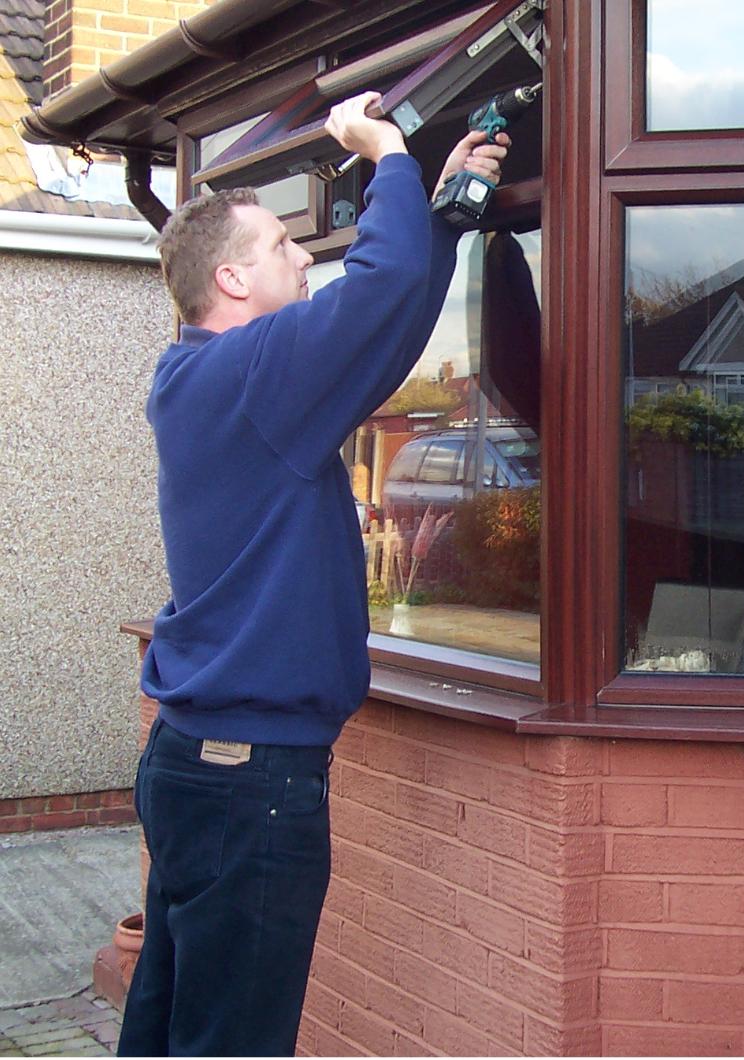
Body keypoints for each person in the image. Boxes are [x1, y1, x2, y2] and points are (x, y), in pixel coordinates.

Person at [116, 92, 509, 1057]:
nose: (304, 254)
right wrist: (383, 151)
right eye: (284, 244)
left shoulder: (201, 376)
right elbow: (378, 289)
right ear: (232, 277)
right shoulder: (254, 374)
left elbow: (378, 331)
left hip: (198, 767)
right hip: (250, 784)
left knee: (172, 1023)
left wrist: (448, 218)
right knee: (235, 1043)